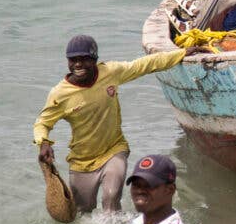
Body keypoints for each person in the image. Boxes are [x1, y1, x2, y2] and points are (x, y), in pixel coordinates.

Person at [33, 35, 206, 214]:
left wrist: (182, 53)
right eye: (73, 60)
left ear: (95, 60)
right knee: (82, 213)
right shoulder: (59, 94)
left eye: (84, 59)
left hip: (114, 149)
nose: (78, 64)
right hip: (81, 162)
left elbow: (144, 65)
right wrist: (44, 143)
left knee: (111, 195)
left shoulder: (110, 72)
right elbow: (42, 123)